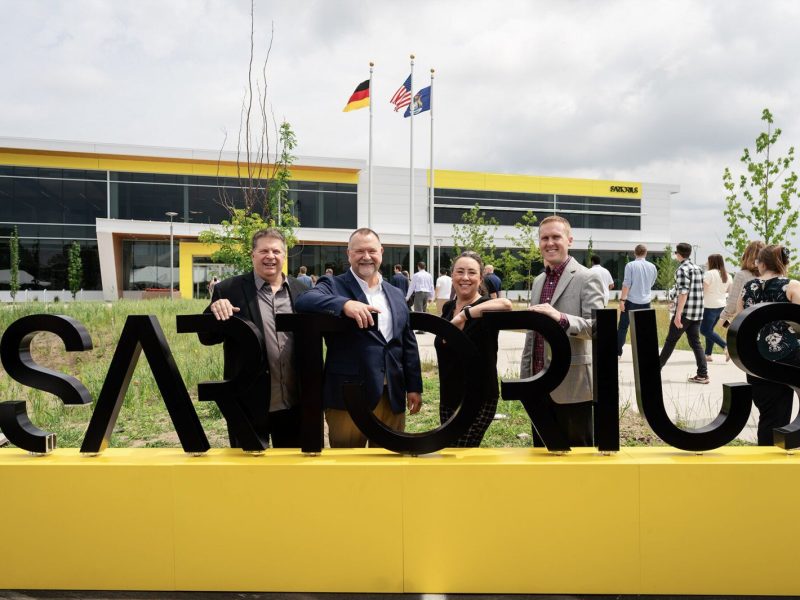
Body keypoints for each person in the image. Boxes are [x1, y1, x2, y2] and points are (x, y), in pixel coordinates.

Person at [294, 228, 423, 448]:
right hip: (348, 395)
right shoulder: (334, 285)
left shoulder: (395, 293)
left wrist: (414, 386)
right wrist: (344, 304)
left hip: (391, 394)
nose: (366, 256)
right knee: (347, 465)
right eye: (359, 251)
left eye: (371, 250)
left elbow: (407, 343)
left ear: (381, 252)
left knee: (387, 461)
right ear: (349, 254)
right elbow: (304, 300)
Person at [199, 228, 308, 448]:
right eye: (264, 251)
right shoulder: (229, 289)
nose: (271, 256)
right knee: (248, 478)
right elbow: (207, 337)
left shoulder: (302, 291)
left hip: (295, 405)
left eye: (276, 251)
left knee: (290, 477)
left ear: (285, 256)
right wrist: (214, 311)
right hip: (247, 404)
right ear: (253, 255)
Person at [520, 216, 605, 446]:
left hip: (572, 386)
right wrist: (525, 378)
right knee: (542, 456)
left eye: (556, 237)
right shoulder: (538, 280)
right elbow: (533, 335)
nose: (550, 243)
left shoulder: (588, 278)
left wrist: (560, 318)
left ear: (569, 240)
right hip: (538, 384)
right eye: (544, 238)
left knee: (577, 463)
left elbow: (597, 328)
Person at [435, 251, 512, 446]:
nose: (465, 277)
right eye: (460, 272)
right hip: (449, 395)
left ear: (480, 278)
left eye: (471, 272)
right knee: (451, 452)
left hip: (479, 396)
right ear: (452, 275)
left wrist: (463, 316)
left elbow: (506, 304)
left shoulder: (486, 306)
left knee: (463, 453)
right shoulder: (448, 307)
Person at [737, 245, 800, 445]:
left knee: (769, 414)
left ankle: (765, 456)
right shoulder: (792, 286)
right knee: (781, 411)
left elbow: (740, 320)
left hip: (755, 358)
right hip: (787, 357)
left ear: (762, 263)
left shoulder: (748, 287)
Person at [659, 242, 708, 384]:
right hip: (697, 311)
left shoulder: (682, 270)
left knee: (670, 341)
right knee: (696, 343)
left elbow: (684, 292)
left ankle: (655, 370)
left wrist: (678, 314)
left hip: (685, 312)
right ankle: (703, 374)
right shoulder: (698, 268)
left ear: (678, 254)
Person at [616, 244, 657, 356]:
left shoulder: (630, 265)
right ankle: (643, 353)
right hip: (646, 302)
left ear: (635, 253)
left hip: (631, 301)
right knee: (643, 328)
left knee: (623, 327)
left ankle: (618, 352)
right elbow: (652, 283)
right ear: (645, 253)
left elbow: (626, 284)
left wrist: (622, 300)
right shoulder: (652, 267)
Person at [721, 240, 765, 327]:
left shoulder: (742, 275)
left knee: (724, 323)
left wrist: (723, 318)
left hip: (748, 322)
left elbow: (732, 305)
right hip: (768, 323)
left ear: (746, 256)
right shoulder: (771, 276)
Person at [700, 254, 732, 361]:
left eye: (708, 261)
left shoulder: (709, 274)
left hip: (709, 306)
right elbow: (729, 291)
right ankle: (708, 354)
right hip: (721, 306)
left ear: (712, 262)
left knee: (704, 330)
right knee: (710, 330)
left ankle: (725, 346)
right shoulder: (727, 275)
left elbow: (702, 291)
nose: (706, 263)